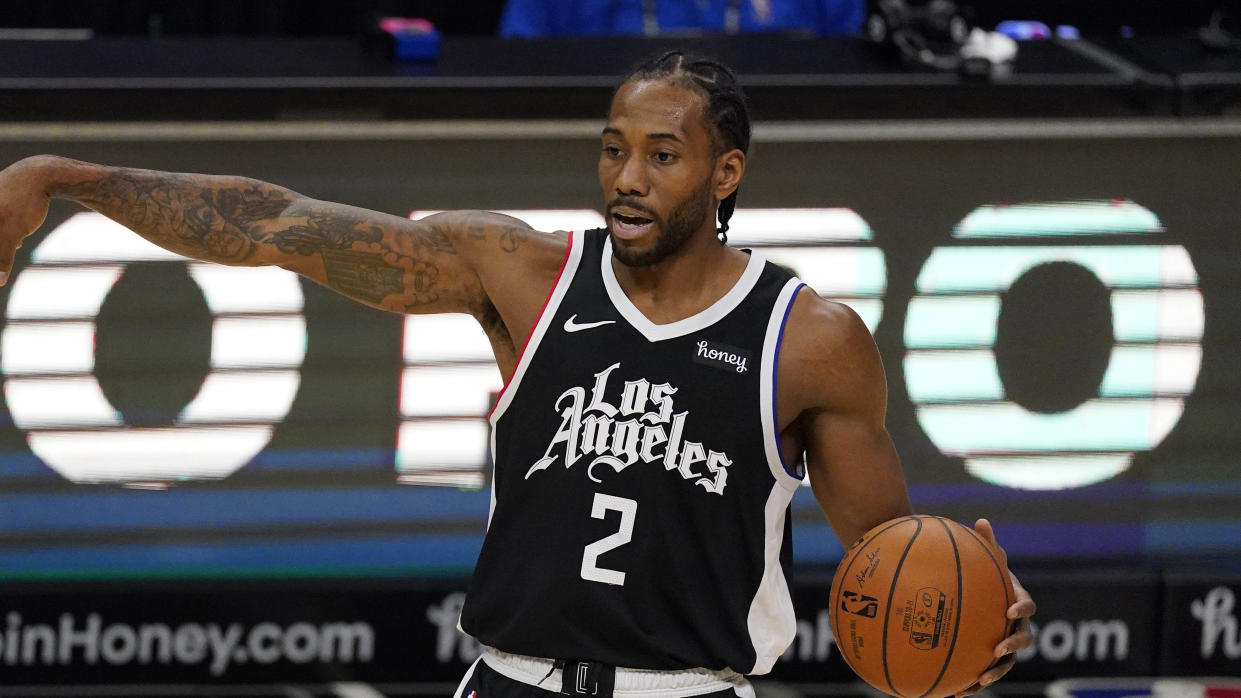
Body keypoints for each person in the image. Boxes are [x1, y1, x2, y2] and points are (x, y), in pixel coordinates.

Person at [0, 51, 1033, 698]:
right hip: (508, 681)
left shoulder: (807, 339)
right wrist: (64, 180)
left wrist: (978, 613)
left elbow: (890, 562)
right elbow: (277, 224)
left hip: (685, 691)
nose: (627, 178)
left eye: (661, 156)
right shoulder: (524, 276)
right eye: (612, 149)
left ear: (725, 174)